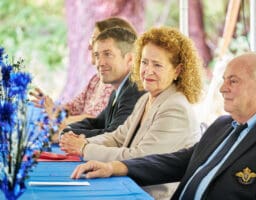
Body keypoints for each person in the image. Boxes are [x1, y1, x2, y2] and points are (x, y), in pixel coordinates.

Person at [70, 52, 256, 199]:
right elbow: (181, 161)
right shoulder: (223, 125)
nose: (222, 88)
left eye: (233, 81)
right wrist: (116, 167)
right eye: (223, 80)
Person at [61, 26, 204, 199]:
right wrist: (81, 142)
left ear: (177, 70)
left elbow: (139, 157)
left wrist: (85, 149)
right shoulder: (147, 98)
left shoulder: (176, 107)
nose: (148, 71)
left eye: (157, 65)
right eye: (144, 62)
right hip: (127, 186)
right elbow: (118, 137)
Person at [30, 17, 137, 125]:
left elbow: (97, 121)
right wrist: (52, 108)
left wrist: (58, 120)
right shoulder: (96, 80)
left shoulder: (118, 84)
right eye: (92, 40)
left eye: (96, 41)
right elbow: (72, 108)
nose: (90, 46)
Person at [59, 27, 144, 138]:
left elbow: (113, 136)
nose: (100, 63)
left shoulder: (134, 90)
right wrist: (68, 129)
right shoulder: (117, 92)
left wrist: (68, 134)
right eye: (97, 55)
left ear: (129, 59)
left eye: (107, 54)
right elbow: (96, 123)